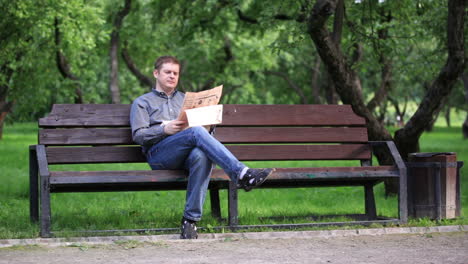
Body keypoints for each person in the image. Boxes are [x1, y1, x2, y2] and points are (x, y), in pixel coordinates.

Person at [130, 55, 274, 239]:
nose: (172, 76)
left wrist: (209, 125)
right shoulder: (142, 102)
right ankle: (241, 174)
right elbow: (138, 135)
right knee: (195, 132)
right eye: (168, 72)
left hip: (187, 152)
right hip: (159, 155)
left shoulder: (185, 99)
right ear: (156, 73)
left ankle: (190, 221)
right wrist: (164, 129)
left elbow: (200, 133)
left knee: (201, 155)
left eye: (176, 73)